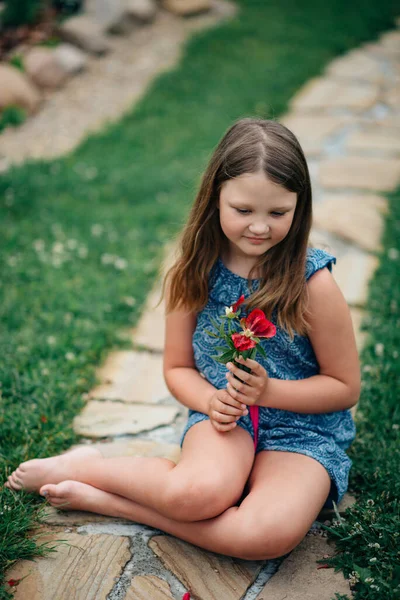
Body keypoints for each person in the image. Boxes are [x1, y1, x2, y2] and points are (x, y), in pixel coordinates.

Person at [4, 118, 360, 561]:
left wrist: (270, 391)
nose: (260, 227)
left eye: (278, 213)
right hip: (224, 418)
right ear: (215, 198)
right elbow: (177, 368)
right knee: (195, 495)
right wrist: (210, 402)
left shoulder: (313, 283)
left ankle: (107, 499)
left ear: (299, 206)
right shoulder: (196, 268)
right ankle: (91, 466)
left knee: (264, 536)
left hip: (302, 431)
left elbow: (344, 387)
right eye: (243, 210)